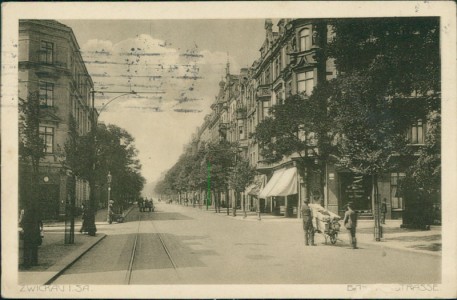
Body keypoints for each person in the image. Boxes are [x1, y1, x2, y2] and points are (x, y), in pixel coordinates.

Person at [20, 203, 43, 268]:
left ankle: (26, 262)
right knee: (34, 247)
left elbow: (22, 222)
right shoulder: (36, 213)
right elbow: (40, 223)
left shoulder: (26, 213)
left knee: (27, 248)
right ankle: (34, 261)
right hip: (35, 233)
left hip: (28, 233)